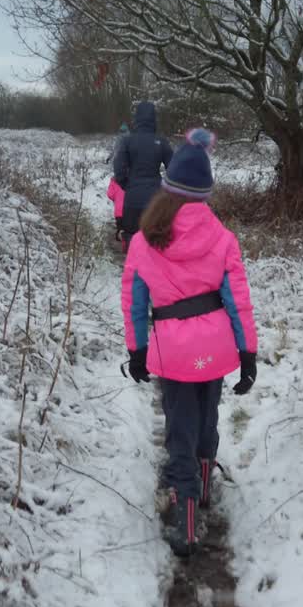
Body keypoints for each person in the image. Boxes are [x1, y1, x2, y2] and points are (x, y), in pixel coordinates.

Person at [121, 128, 258, 557]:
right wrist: (247, 353)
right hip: (214, 351)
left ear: (167, 188)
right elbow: (238, 300)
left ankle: (187, 522)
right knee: (207, 418)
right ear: (204, 193)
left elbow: (134, 298)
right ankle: (201, 490)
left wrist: (137, 349)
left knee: (179, 428)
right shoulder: (223, 237)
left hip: (173, 352)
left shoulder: (145, 240)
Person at [112, 102, 173, 245]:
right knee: (155, 241)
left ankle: (134, 265)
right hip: (155, 200)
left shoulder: (127, 141)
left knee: (132, 239)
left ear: (136, 119)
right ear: (154, 119)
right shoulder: (161, 141)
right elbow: (175, 170)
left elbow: (118, 169)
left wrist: (128, 185)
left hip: (132, 199)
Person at [106, 123, 129, 243]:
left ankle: (121, 234)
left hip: (118, 169)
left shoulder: (118, 139)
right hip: (129, 171)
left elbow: (114, 151)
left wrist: (109, 158)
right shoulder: (131, 139)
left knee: (117, 191)